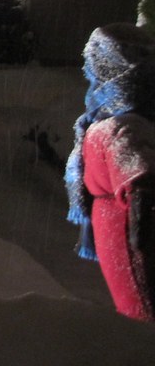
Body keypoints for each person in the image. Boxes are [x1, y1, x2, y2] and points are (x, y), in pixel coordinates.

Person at [65, 23, 155, 322]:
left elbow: (141, 179)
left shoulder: (119, 126)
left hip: (130, 246)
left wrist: (142, 239)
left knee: (142, 317)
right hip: (124, 241)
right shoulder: (124, 117)